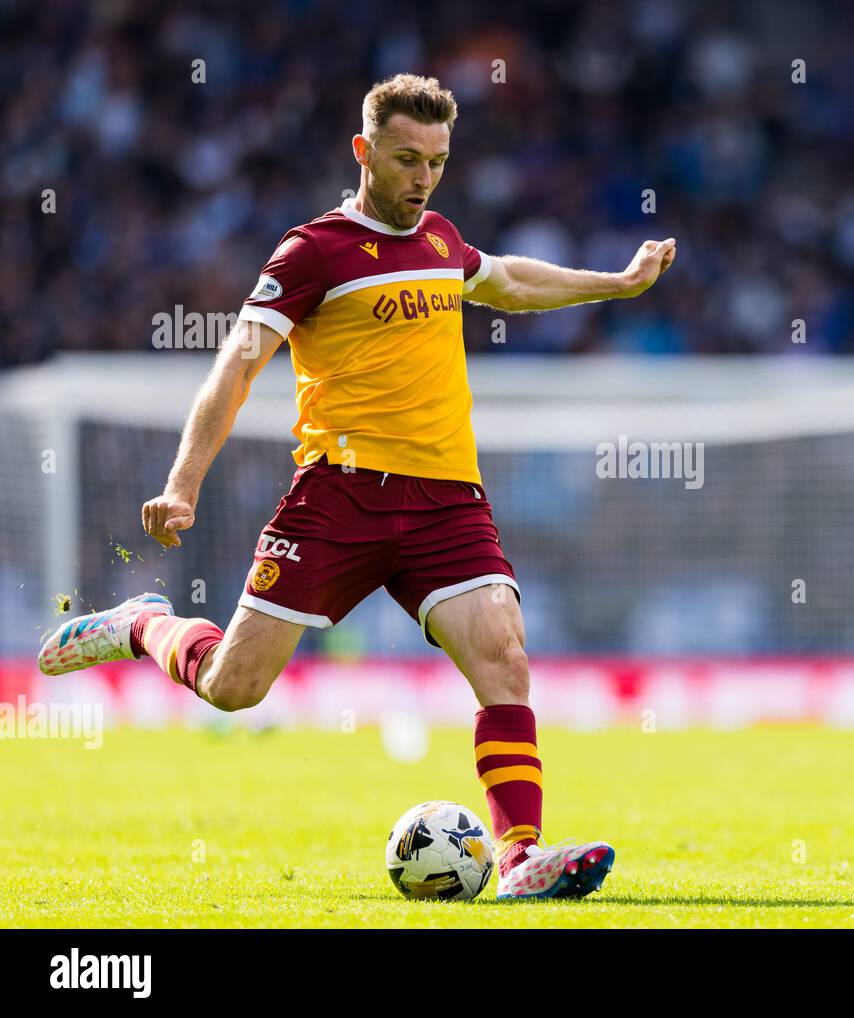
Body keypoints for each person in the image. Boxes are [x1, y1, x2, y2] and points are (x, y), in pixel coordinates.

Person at [37, 73, 676, 900]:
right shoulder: (313, 251)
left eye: (437, 162)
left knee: (504, 659)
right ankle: (143, 626)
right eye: (407, 159)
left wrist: (616, 284)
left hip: (447, 498)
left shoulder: (443, 240)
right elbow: (236, 365)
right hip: (339, 496)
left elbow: (508, 280)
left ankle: (521, 856)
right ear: (363, 152)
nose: (422, 178)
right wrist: (182, 484)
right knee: (235, 687)